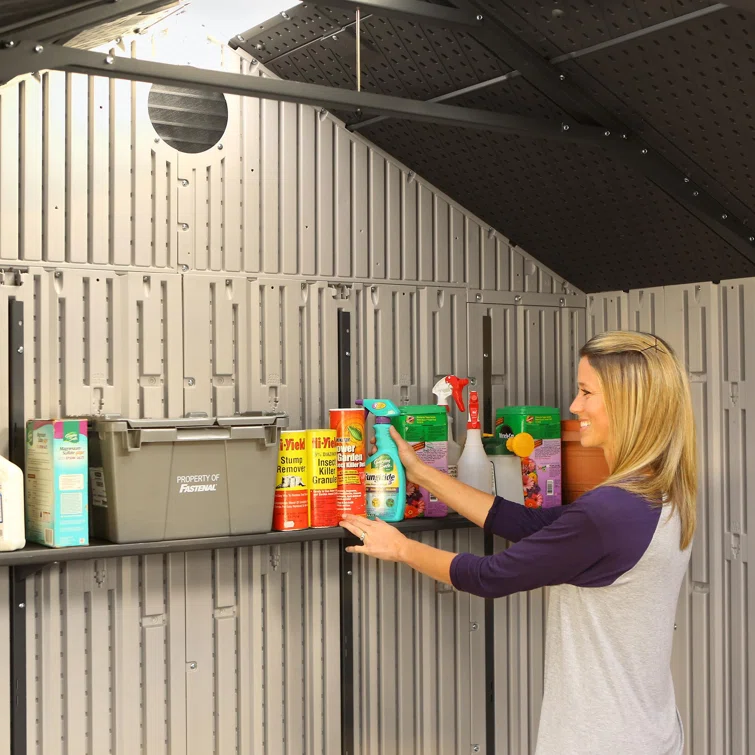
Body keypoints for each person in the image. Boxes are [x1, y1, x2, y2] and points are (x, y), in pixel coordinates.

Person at [340, 331, 696, 755]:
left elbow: (490, 576)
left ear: (628, 402)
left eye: (586, 392)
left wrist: (400, 548)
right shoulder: (659, 494)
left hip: (601, 740)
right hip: (650, 731)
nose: (574, 406)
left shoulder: (610, 510)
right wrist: (421, 473)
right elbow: (530, 524)